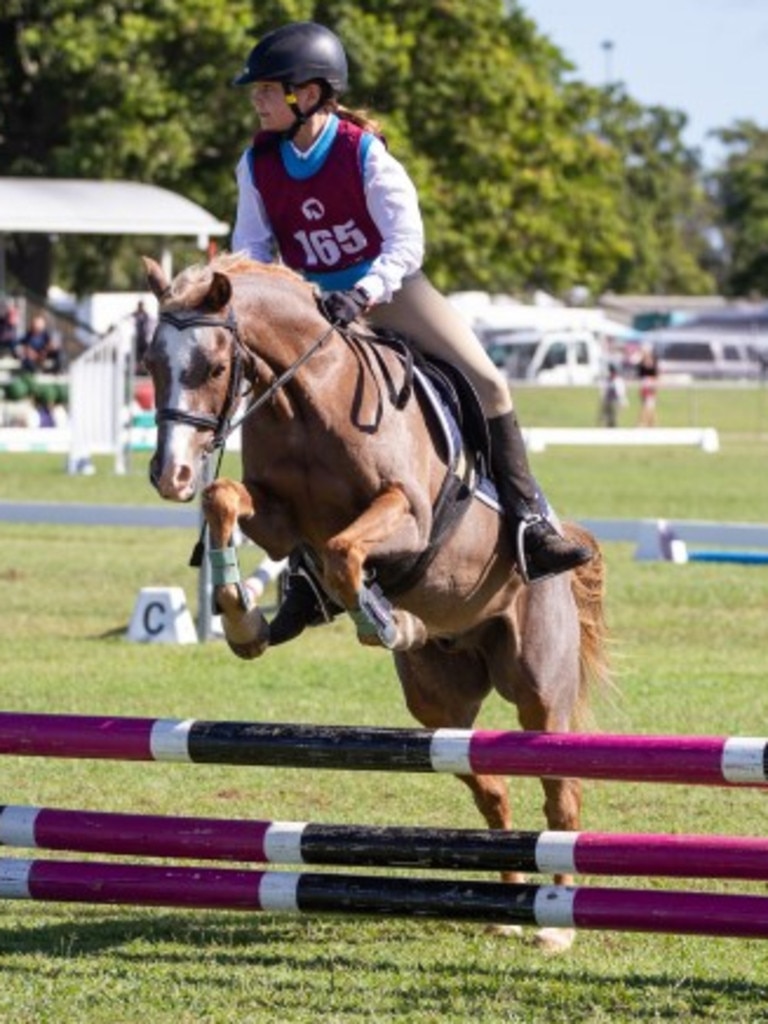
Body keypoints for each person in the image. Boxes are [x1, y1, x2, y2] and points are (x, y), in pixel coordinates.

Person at [230, 21, 591, 620]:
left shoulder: (362, 152)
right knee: (291, 413)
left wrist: (364, 291)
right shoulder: (258, 163)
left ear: (310, 94)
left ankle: (529, 522)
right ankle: (305, 574)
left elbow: (405, 244)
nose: (256, 100)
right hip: (313, 307)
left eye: (267, 89)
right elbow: (251, 249)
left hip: (390, 291)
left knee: (490, 382)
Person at [636, 345, 659, 427]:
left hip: (651, 386)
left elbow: (656, 375)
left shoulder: (653, 363)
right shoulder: (642, 364)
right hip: (645, 386)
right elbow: (640, 374)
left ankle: (647, 423)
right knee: (647, 405)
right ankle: (648, 423)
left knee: (650, 405)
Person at [599, 363, 627, 428]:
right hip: (607, 402)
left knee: (614, 420)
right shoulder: (607, 380)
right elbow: (603, 392)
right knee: (606, 420)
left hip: (615, 402)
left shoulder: (619, 381)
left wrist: (623, 402)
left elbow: (621, 393)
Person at [132, 300, 152, 373]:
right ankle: (138, 368)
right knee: (138, 354)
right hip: (138, 337)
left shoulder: (146, 314)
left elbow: (149, 325)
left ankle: (144, 368)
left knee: (145, 354)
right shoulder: (135, 314)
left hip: (144, 337)